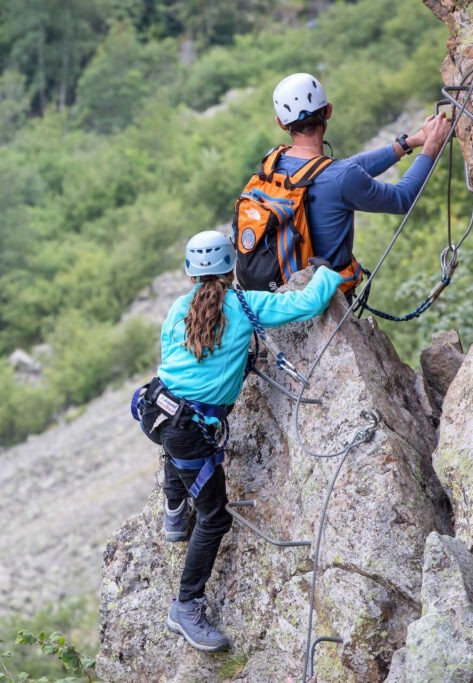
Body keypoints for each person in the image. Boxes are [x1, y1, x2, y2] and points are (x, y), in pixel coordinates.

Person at [147, 230, 342, 653]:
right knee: (215, 519)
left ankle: (174, 509)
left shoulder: (177, 309)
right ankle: (185, 606)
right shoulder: (245, 305)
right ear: (231, 265)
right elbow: (307, 303)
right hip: (189, 429)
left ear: (190, 272)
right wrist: (330, 273)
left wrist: (232, 361)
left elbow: (172, 358)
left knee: (176, 448)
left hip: (155, 408)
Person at [271, 72, 453, 293]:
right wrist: (432, 145)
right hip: (327, 303)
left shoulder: (274, 161)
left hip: (281, 292)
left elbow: (341, 171)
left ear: (281, 123)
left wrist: (411, 142)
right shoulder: (340, 177)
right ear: (328, 110)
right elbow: (402, 198)